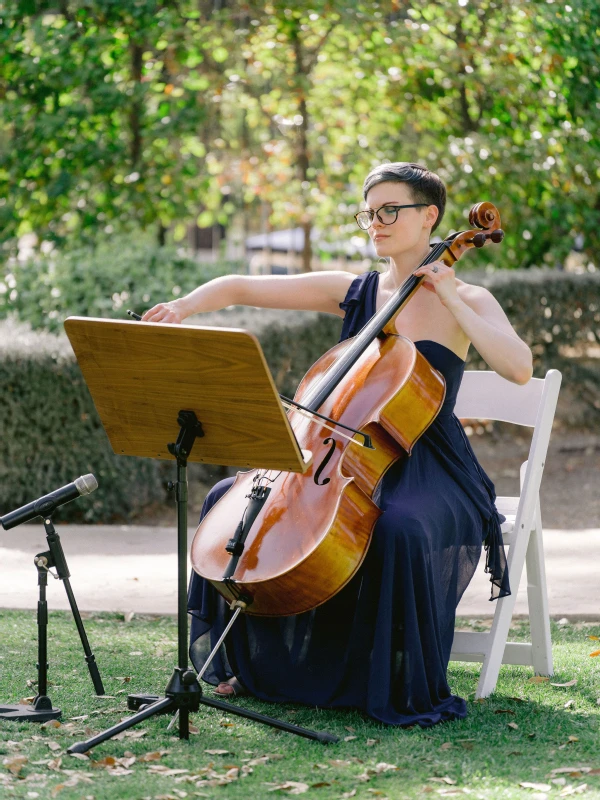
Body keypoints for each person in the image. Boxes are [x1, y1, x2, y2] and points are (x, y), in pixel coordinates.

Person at [142, 162, 532, 728]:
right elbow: (238, 287)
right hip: (344, 456)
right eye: (369, 213)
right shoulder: (357, 291)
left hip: (429, 464)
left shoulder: (466, 295)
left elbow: (518, 367)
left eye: (389, 211)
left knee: (396, 525)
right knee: (231, 498)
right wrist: (183, 308)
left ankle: (386, 678)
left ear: (430, 217)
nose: (376, 223)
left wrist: (450, 297)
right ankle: (251, 667)